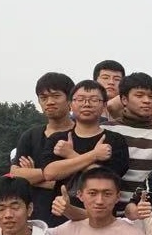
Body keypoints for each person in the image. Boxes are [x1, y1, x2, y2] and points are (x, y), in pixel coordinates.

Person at [42, 80, 131, 219]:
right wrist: (94, 155)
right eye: (80, 99)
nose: (87, 104)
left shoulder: (115, 140)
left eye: (94, 100)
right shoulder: (58, 139)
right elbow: (49, 173)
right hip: (61, 215)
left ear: (104, 105)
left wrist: (70, 154)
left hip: (102, 219)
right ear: (70, 104)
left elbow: (107, 179)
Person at [8, 71, 75, 227]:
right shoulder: (30, 136)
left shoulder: (80, 134)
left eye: (56, 96)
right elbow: (16, 177)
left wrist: (33, 177)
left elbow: (79, 180)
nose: (49, 102)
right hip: (34, 220)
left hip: (71, 220)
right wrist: (55, 176)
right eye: (43, 98)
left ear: (70, 99)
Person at [108, 73, 152, 209]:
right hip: (108, 210)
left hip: (144, 210)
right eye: (139, 95)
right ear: (124, 99)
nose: (146, 101)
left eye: (151, 96)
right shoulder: (107, 129)